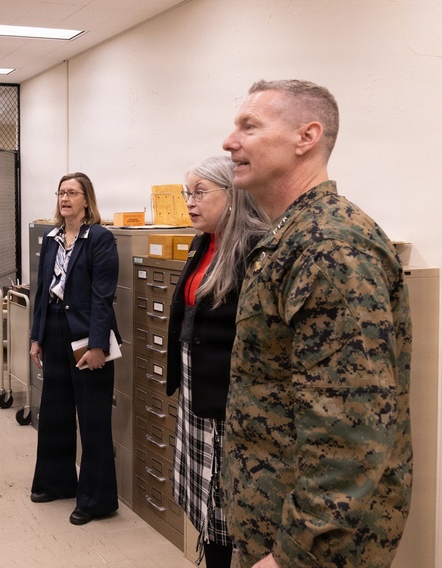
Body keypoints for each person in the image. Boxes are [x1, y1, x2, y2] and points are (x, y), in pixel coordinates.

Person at [221, 80, 413, 568]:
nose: (229, 141)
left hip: (316, 549)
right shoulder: (292, 237)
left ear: (306, 137)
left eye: (249, 126)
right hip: (275, 524)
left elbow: (351, 427)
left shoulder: (329, 246)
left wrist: (295, 553)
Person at [166, 156, 269, 568]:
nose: (190, 202)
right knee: (206, 504)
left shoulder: (253, 247)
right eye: (186, 193)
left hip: (227, 399)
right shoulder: (202, 241)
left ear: (234, 194)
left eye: (200, 192)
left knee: (224, 502)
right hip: (197, 391)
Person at [28, 172, 120, 525]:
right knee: (54, 411)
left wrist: (97, 346)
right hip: (53, 330)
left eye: (73, 193)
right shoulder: (52, 239)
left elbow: (103, 298)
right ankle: (56, 482)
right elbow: (42, 291)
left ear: (86, 200)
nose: (65, 198)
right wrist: (37, 337)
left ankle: (96, 500)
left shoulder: (99, 238)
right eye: (61, 192)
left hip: (86, 336)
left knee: (93, 418)